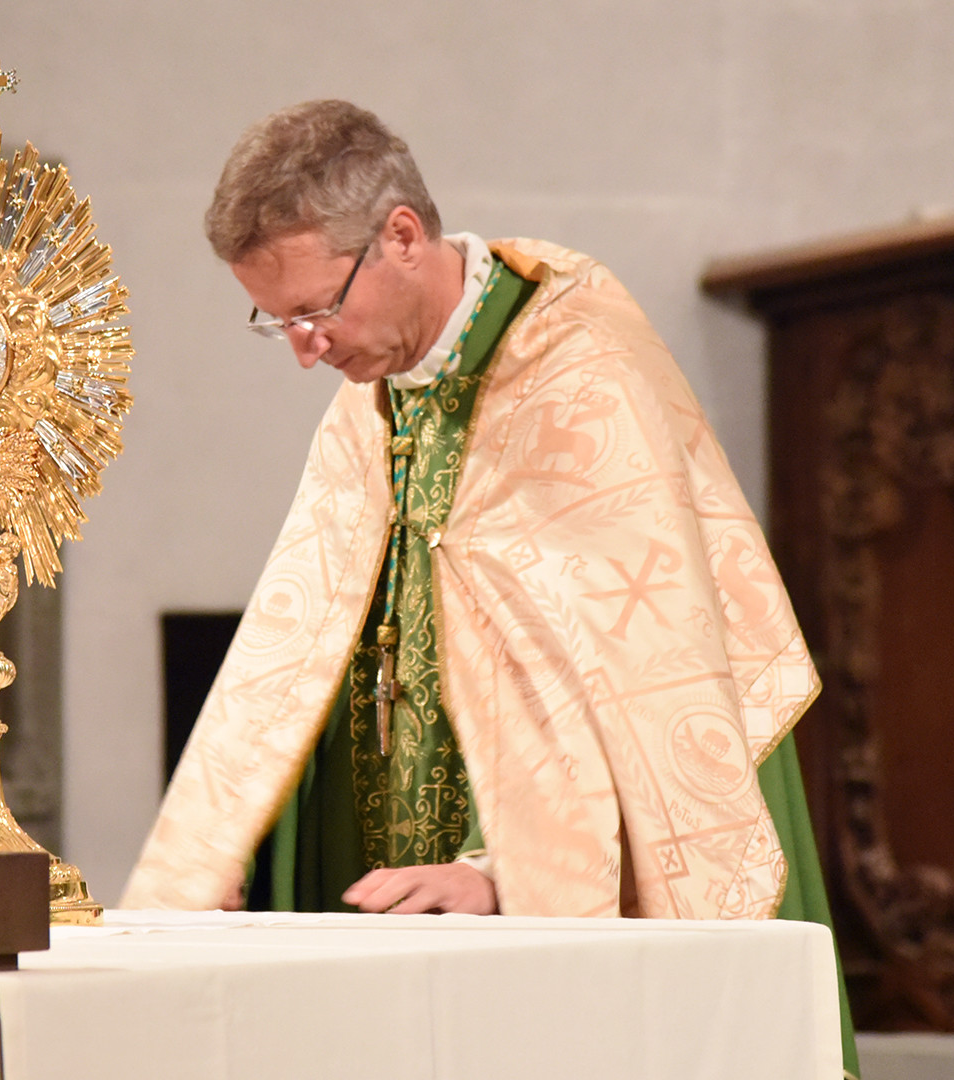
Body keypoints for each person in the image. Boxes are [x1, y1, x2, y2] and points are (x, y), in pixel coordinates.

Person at [119, 100, 855, 1072]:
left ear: (402, 237)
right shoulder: (370, 402)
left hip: (550, 912)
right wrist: (231, 843)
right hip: (386, 890)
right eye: (275, 320)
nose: (304, 349)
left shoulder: (579, 367)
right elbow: (307, 648)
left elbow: (643, 675)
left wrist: (505, 869)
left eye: (315, 309)